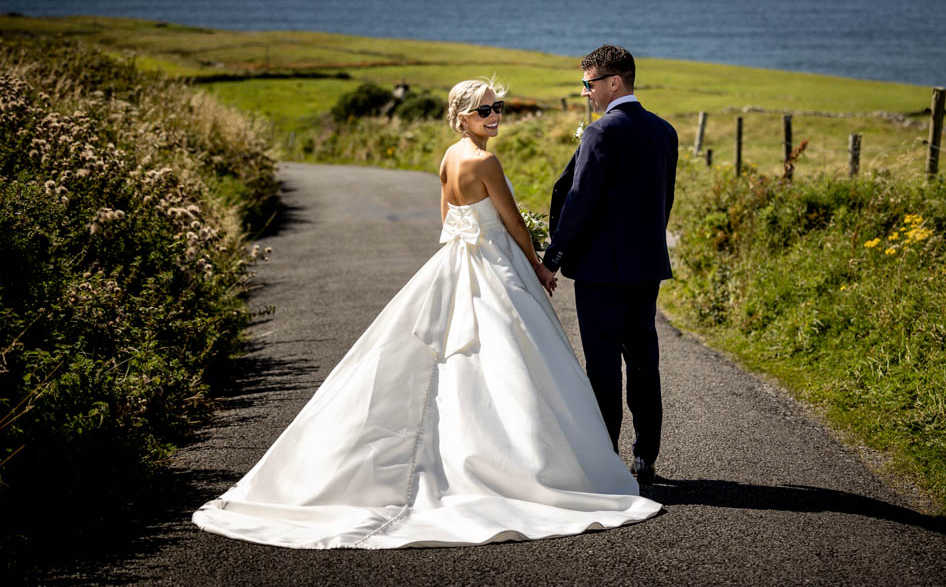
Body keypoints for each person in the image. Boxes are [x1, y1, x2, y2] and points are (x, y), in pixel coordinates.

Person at [192, 77, 660, 549]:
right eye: (484, 111)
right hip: (494, 266)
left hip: (456, 262)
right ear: (461, 118)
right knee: (506, 361)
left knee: (452, 359)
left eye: (498, 108)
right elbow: (512, 220)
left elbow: (448, 220)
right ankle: (521, 466)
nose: (494, 116)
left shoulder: (449, 158)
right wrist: (538, 265)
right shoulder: (484, 161)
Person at [542, 45, 679, 487]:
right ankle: (645, 457)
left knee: (602, 365)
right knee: (643, 360)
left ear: (613, 83)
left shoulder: (602, 132)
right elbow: (665, 203)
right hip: (645, 267)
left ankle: (605, 460)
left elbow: (580, 202)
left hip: (601, 272)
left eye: (589, 83)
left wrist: (554, 257)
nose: (585, 92)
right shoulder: (665, 132)